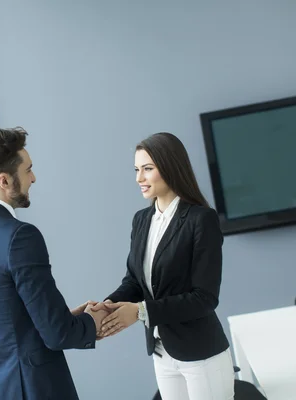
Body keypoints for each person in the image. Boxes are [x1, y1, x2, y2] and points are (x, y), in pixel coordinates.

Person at [0, 127, 107, 400]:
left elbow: (5, 322)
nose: (33, 178)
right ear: (4, 181)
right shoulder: (20, 237)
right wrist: (93, 322)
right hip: (35, 389)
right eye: (28, 170)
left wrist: (67, 318)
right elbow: (57, 336)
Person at [92, 132, 234, 400]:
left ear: (169, 167)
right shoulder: (141, 220)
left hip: (201, 354)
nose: (138, 178)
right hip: (161, 351)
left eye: (147, 169)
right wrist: (108, 305)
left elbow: (204, 298)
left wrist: (140, 312)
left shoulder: (201, 220)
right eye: (136, 169)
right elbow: (135, 281)